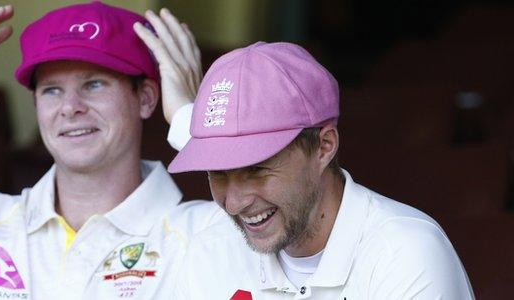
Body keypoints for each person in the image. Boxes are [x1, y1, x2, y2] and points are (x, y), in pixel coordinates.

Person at [0, 2, 219, 299]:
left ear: (145, 98)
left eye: (94, 84)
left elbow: (269, 228)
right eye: (52, 90)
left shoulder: (205, 235)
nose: (70, 107)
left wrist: (189, 123)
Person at [165, 42, 475, 299]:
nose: (233, 203)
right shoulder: (209, 251)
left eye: (257, 169)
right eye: (217, 172)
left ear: (323, 147)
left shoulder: (406, 254)